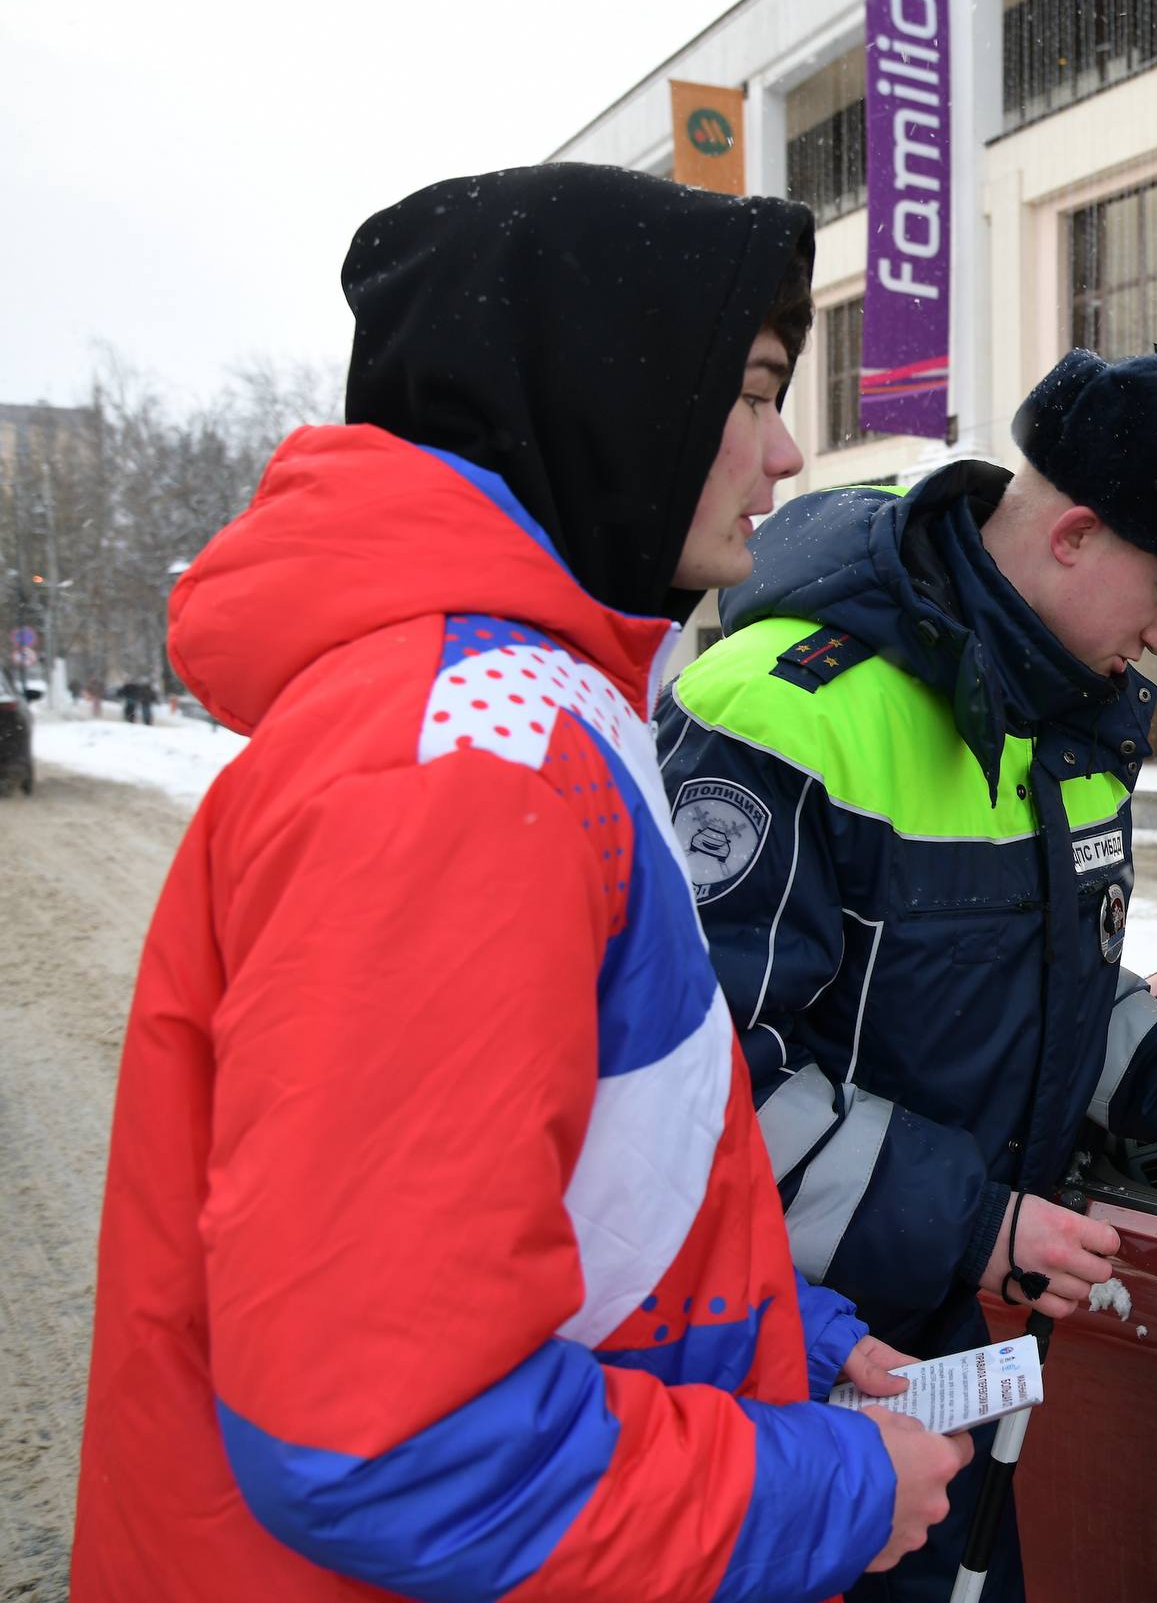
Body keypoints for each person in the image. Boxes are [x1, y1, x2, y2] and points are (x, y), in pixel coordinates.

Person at [72, 164, 972, 1602]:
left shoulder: (529, 710)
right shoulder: (470, 769)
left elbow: (584, 1179)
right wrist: (832, 1490)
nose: (789, 449)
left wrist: (783, 1337)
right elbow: (391, 1430)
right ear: (601, 396)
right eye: (749, 389)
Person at [657, 345, 1157, 1601]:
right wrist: (972, 1219)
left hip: (950, 1334)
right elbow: (701, 1081)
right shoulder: (782, 707)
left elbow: (1062, 986)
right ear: (1073, 534)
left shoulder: (1074, 720)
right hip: (782, 1346)